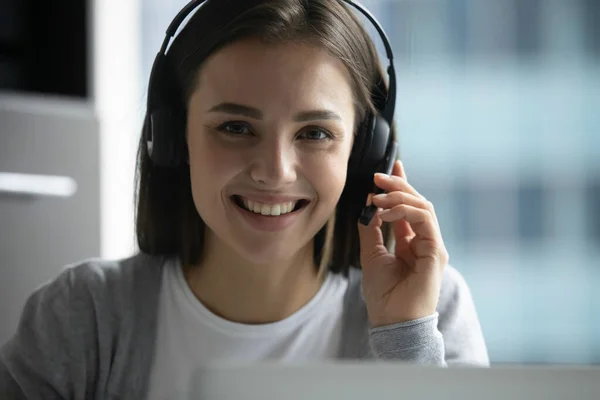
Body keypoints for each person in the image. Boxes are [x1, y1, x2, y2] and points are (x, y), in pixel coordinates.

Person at [0, 0, 489, 398]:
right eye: (235, 127)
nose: (274, 170)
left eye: (315, 133)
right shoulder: (84, 315)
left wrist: (406, 339)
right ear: (172, 139)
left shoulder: (431, 309)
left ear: (365, 154)